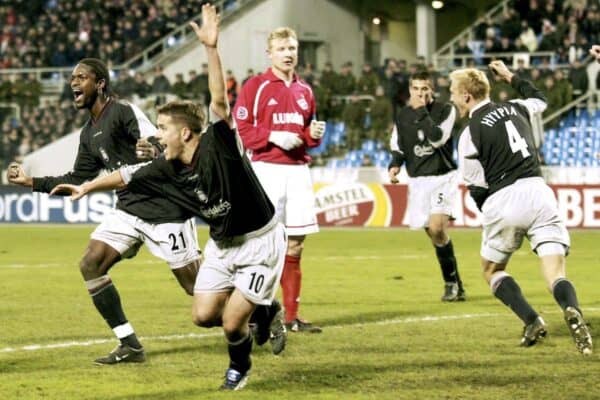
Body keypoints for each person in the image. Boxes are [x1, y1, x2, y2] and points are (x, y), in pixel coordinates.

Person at [50, 4, 287, 390]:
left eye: (162, 129)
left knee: (231, 323)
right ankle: (261, 310)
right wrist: (86, 186)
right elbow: (127, 173)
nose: (156, 136)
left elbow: (218, 104)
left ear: (187, 134)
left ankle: (239, 368)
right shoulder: (167, 166)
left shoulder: (219, 146)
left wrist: (211, 48)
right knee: (203, 314)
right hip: (223, 246)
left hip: (261, 240)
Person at [6, 57, 202, 365]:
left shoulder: (123, 111)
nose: (73, 82)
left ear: (100, 83)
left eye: (81, 77)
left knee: (198, 289)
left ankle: (264, 310)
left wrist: (153, 148)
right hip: (128, 210)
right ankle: (129, 344)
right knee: (91, 264)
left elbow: (159, 142)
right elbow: (74, 179)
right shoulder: (89, 133)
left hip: (165, 209)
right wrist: (28, 182)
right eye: (72, 77)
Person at [452, 60, 592, 355]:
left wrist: (491, 212)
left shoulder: (468, 133)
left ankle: (532, 320)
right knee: (555, 272)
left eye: (453, 92)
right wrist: (510, 76)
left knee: (492, 270)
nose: (452, 98)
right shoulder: (517, 106)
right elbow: (541, 99)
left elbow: (476, 187)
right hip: (539, 191)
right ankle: (571, 308)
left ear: (466, 95)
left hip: (503, 198)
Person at [233, 26, 325, 333]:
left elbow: (308, 135)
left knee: (296, 245)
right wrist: (273, 135)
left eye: (293, 49)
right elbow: (241, 129)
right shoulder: (255, 86)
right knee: (262, 246)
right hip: (266, 171)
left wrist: (311, 136)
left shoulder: (306, 91)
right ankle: (259, 313)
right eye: (282, 49)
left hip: (298, 171)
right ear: (270, 53)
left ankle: (291, 317)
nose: (288, 54)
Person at [388, 70, 466, 302]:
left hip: (443, 177)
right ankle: (455, 283)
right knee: (433, 234)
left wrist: (421, 110)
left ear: (432, 89)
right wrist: (395, 165)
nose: (420, 93)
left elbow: (437, 138)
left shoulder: (446, 110)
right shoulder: (402, 116)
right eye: (416, 89)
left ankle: (451, 284)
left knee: (437, 227)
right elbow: (398, 144)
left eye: (425, 89)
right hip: (418, 180)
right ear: (410, 89)